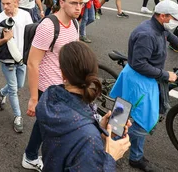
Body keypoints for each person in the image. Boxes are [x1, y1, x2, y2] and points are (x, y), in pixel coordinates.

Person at [110, 0, 178, 171]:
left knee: (123, 110)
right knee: (142, 120)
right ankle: (122, 149)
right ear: (162, 16)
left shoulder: (158, 26)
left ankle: (112, 140)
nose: (177, 22)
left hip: (141, 77)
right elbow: (139, 64)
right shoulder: (147, 34)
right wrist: (166, 75)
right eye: (174, 18)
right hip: (139, 79)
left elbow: (170, 36)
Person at [36, 41, 130, 171]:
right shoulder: (88, 138)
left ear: (63, 73)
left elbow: (70, 136)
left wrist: (99, 128)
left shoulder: (49, 98)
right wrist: (111, 157)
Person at [22, 0, 84, 170]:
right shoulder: (49, 26)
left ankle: (32, 155)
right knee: (48, 124)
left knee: (49, 124)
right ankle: (32, 156)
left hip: (67, 85)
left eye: (80, 3)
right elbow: (33, 63)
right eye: (74, 3)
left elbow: (74, 54)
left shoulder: (74, 23)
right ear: (62, 3)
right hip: (47, 88)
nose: (78, 8)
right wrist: (33, 98)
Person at [0, 0, 33, 134]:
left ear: (16, 2)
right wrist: (4, 39)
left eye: (8, 3)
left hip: (22, 58)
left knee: (19, 84)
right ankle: (18, 117)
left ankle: (2, 92)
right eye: (3, 3)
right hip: (7, 59)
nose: (5, 7)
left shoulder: (25, 15)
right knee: (14, 89)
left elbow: (31, 35)